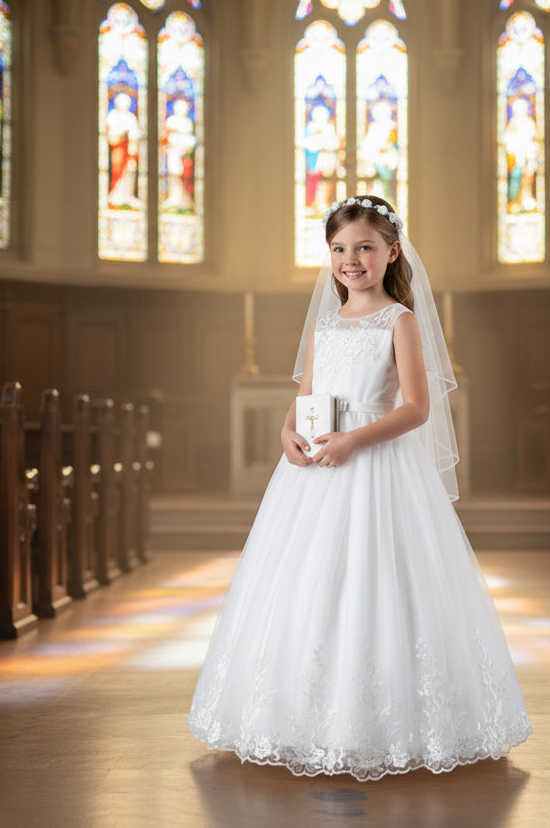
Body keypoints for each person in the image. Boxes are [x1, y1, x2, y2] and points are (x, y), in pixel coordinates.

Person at [189, 196, 531, 782]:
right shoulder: (327, 324)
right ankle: (304, 715)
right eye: (340, 250)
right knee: (309, 580)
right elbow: (309, 396)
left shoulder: (400, 320)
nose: (352, 260)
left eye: (365, 248)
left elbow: (419, 409)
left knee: (380, 580)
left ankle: (388, 720)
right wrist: (287, 430)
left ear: (391, 252)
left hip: (379, 467)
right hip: (319, 470)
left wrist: (355, 441)